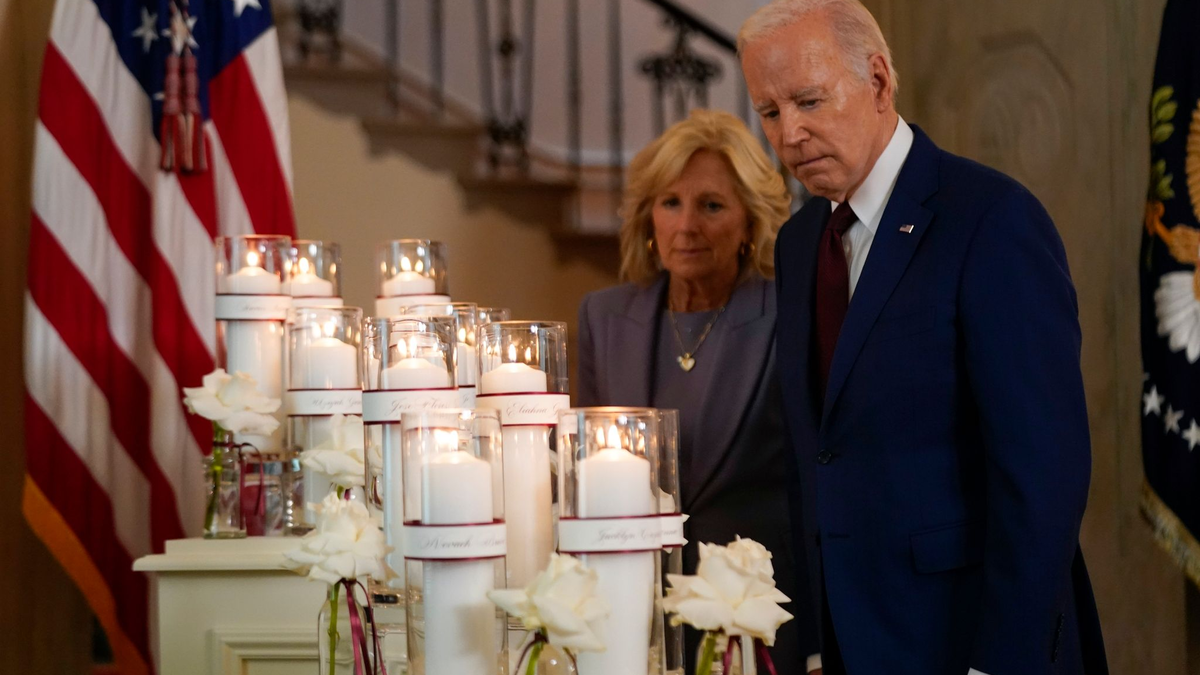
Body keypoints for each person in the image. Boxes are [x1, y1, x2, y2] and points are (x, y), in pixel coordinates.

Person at [736, 2, 1108, 675]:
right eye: (768, 112)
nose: (789, 133)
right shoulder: (797, 245)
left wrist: (996, 664)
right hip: (850, 644)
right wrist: (817, 642)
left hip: (970, 644)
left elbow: (1043, 478)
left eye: (809, 100)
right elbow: (811, 458)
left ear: (878, 82)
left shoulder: (991, 219)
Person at [576, 108, 817, 671]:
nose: (687, 226)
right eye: (670, 203)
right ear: (647, 217)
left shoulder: (791, 314)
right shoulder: (603, 317)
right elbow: (578, 476)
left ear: (750, 222)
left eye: (711, 205)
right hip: (629, 610)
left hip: (754, 616)